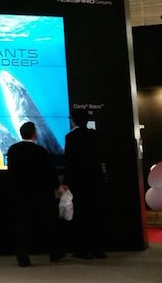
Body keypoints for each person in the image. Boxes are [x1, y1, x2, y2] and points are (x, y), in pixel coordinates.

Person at [6, 121, 66, 267]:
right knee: (48, 223)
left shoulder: (13, 150)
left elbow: (11, 172)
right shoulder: (40, 151)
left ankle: (22, 258)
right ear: (34, 134)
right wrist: (57, 186)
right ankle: (55, 252)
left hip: (20, 193)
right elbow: (49, 171)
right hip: (40, 193)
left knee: (22, 225)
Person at [64, 108, 108, 259]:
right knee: (96, 214)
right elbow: (100, 156)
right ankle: (98, 249)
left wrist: (66, 181)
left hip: (78, 182)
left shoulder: (70, 137)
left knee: (81, 215)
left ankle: (83, 250)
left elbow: (69, 161)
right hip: (95, 180)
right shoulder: (94, 135)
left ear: (73, 120)